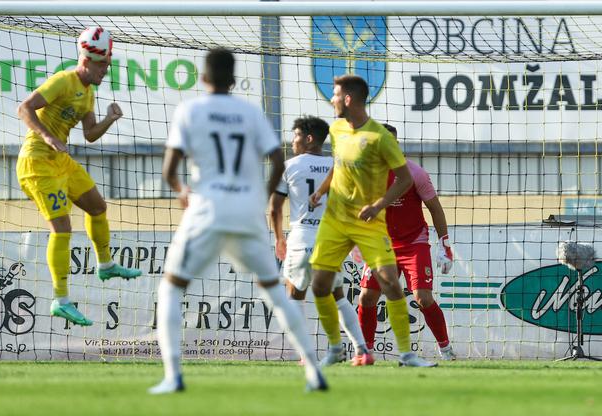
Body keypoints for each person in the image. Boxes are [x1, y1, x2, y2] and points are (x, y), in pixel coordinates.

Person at [150, 48, 327, 394]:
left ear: (203, 78)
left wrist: (181, 190)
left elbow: (169, 170)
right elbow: (278, 160)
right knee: (277, 292)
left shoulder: (190, 110)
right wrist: (258, 198)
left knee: (171, 287)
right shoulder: (249, 111)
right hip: (246, 211)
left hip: (207, 207)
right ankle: (314, 372)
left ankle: (173, 376)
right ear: (233, 80)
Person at [16, 27, 141, 327]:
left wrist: (109, 120)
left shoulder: (88, 92)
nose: (104, 72)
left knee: (97, 206)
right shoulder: (63, 81)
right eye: (102, 66)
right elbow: (24, 108)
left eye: (107, 66)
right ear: (86, 59)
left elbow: (89, 135)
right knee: (62, 228)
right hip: (37, 163)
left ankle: (106, 264)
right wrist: (47, 137)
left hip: (61, 162)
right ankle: (60, 300)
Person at [308, 75, 436, 367]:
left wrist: (379, 204)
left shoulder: (380, 137)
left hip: (370, 223)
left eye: (336, 95)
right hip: (336, 220)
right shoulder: (337, 129)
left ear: (349, 99)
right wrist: (321, 191)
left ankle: (407, 355)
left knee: (390, 284)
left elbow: (403, 179)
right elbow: (338, 166)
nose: (332, 100)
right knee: (319, 284)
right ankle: (339, 349)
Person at [269, 116, 368, 366]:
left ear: (309, 138)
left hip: (302, 236)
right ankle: (361, 349)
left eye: (296, 135)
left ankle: (306, 355)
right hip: (331, 238)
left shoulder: (289, 166)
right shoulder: (339, 165)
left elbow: (274, 208)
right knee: (338, 296)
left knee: (294, 295)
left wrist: (279, 237)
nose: (293, 141)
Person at [357, 123, 456, 363]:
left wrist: (445, 245)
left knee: (423, 298)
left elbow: (435, 208)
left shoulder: (415, 173)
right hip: (382, 245)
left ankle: (446, 349)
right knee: (367, 297)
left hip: (414, 243)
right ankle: (365, 352)